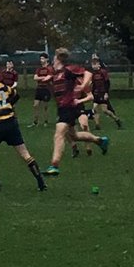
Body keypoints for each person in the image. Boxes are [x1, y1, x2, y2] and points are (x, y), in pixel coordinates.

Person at [0, 61, 45, 192]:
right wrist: (8, 105)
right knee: (25, 154)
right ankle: (41, 182)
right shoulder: (2, 86)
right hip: (12, 123)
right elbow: (16, 95)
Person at [42, 48, 109, 176]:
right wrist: (48, 83)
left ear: (58, 58)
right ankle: (100, 140)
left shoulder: (69, 70)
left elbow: (88, 73)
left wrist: (84, 85)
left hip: (69, 107)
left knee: (59, 134)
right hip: (62, 107)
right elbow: (55, 91)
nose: (52, 60)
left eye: (54, 57)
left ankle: (54, 165)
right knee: (74, 136)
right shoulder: (55, 73)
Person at [89, 54, 123, 130]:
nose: (93, 66)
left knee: (105, 111)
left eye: (95, 64)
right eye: (92, 64)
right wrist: (92, 93)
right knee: (95, 109)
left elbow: (107, 83)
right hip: (96, 94)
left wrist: (106, 93)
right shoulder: (93, 74)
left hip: (102, 93)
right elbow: (94, 84)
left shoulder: (103, 72)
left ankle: (117, 119)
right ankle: (97, 125)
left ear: (99, 65)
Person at [30, 53, 53, 127]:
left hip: (46, 89)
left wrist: (41, 78)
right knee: (35, 105)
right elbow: (35, 78)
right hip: (39, 88)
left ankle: (45, 121)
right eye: (40, 59)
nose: (41, 60)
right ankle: (35, 122)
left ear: (47, 59)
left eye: (43, 58)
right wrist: (43, 77)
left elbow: (49, 77)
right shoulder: (39, 69)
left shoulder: (49, 68)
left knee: (45, 106)